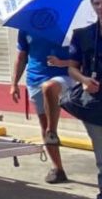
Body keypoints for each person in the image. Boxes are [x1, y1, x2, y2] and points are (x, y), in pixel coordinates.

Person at [10, 30, 70, 183]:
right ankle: (57, 168)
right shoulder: (25, 26)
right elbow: (21, 56)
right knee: (45, 126)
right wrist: (14, 84)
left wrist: (63, 62)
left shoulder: (66, 23)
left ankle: (52, 129)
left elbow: (81, 55)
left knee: (49, 88)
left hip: (65, 78)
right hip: (35, 79)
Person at [67, 0, 102, 199]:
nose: (101, 6)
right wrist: (84, 80)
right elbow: (72, 68)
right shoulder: (83, 35)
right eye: (97, 3)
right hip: (95, 106)